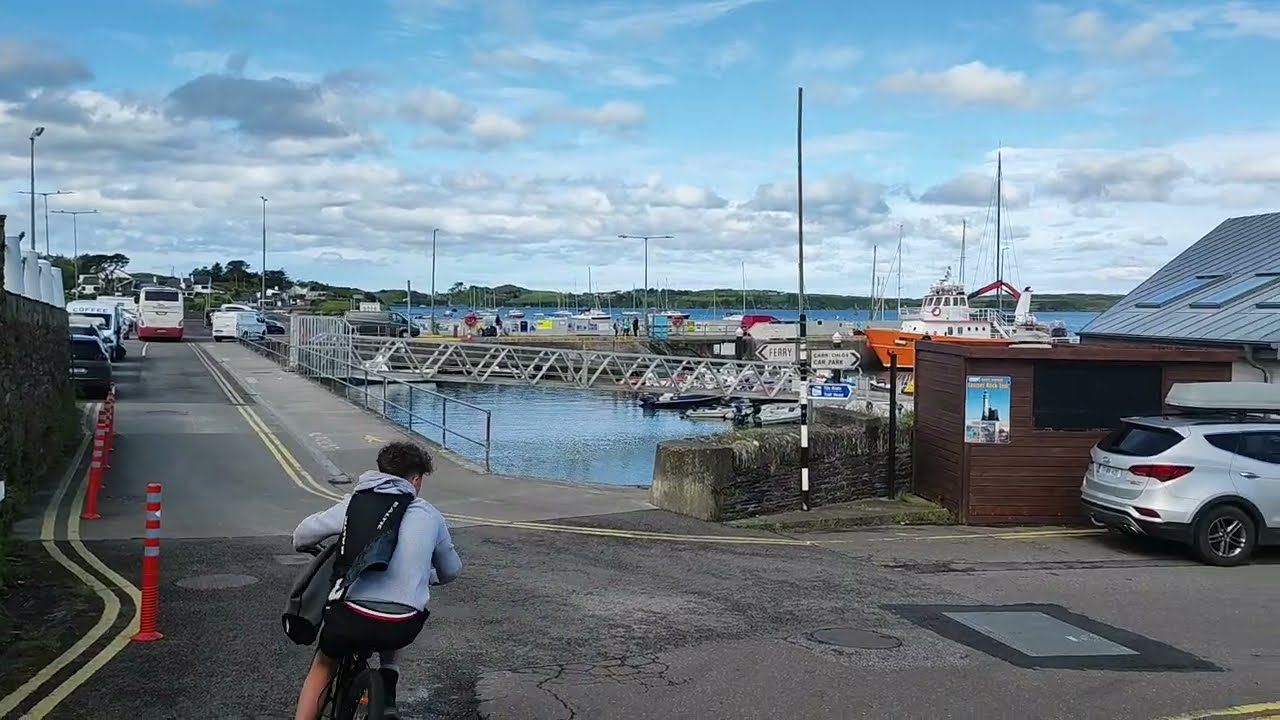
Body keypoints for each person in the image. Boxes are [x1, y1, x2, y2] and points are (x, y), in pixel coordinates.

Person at [292, 441, 462, 720]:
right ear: (416, 479)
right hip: (402, 625)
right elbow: (451, 571)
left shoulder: (355, 503)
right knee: (395, 605)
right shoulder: (429, 514)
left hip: (349, 618)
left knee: (324, 664)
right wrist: (424, 577)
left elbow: (301, 536)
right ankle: (388, 681)